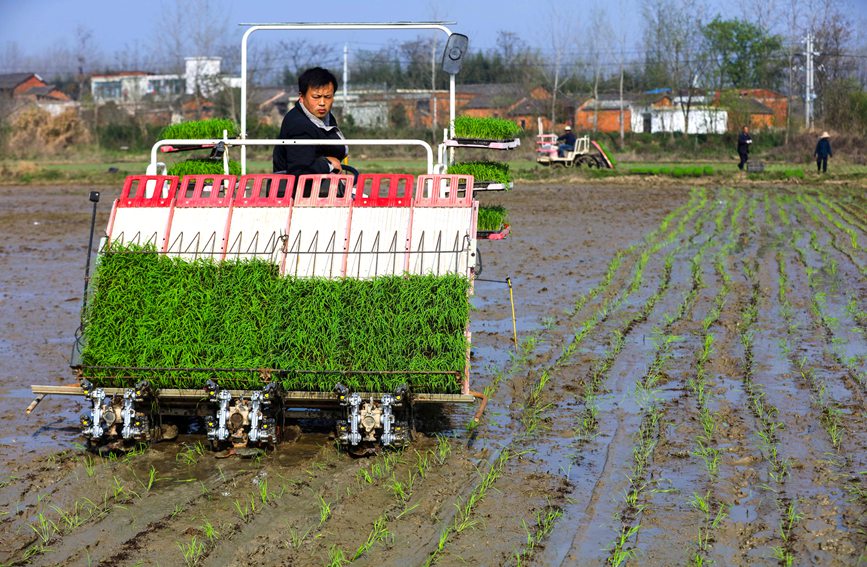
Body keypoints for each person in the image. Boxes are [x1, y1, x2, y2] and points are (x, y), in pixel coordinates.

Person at [272, 67, 358, 193]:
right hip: (297, 194)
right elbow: (300, 170)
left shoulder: (324, 117)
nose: (322, 103)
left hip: (324, 188)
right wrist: (329, 163)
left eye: (328, 97)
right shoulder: (298, 124)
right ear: (301, 97)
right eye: (316, 97)